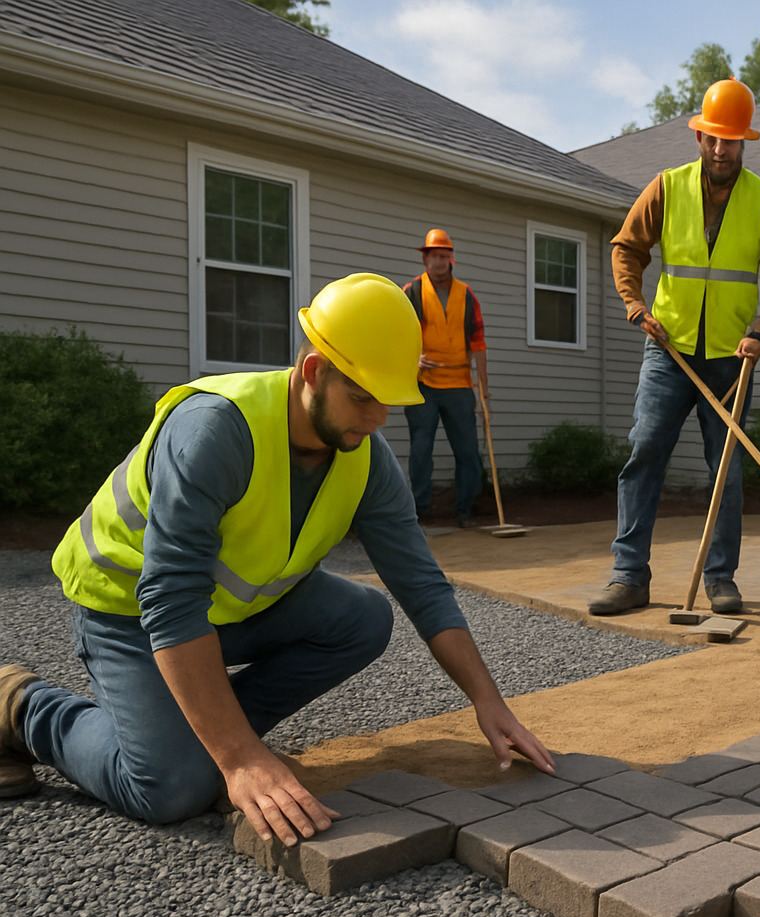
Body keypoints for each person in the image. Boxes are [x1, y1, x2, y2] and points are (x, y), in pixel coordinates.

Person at [0, 274, 553, 846]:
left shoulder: (365, 455)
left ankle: (202, 731)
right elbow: (170, 600)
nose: (376, 420)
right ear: (313, 371)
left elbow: (423, 586)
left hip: (224, 613)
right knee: (170, 788)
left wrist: (488, 701)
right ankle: (23, 707)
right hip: (127, 612)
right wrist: (239, 759)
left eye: (388, 400)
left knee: (364, 619)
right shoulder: (216, 430)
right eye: (362, 397)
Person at [589, 77, 760, 617]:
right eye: (712, 138)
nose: (719, 149)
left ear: (743, 142)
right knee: (644, 454)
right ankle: (628, 576)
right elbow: (626, 249)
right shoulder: (667, 187)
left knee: (725, 468)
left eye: (729, 140)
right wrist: (635, 305)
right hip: (668, 352)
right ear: (699, 137)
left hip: (732, 359)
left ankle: (720, 578)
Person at [402, 229, 489, 528]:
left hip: (459, 385)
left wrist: (484, 392)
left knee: (468, 452)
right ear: (424, 259)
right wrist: (412, 359)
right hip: (423, 384)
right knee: (420, 450)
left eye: (443, 255)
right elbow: (398, 333)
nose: (438, 261)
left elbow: (478, 343)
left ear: (451, 259)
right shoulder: (411, 292)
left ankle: (465, 511)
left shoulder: (467, 295)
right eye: (433, 256)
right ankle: (419, 512)